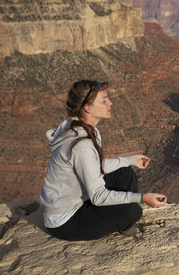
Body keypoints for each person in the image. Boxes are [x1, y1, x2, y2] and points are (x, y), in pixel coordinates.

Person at [40, 79, 167, 241]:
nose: (111, 103)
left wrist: (130, 160)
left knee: (124, 171)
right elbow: (99, 196)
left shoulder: (83, 129)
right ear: (87, 108)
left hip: (80, 201)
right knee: (132, 212)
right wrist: (143, 198)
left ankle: (120, 215)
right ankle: (123, 219)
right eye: (104, 100)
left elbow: (95, 167)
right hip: (64, 221)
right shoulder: (82, 145)